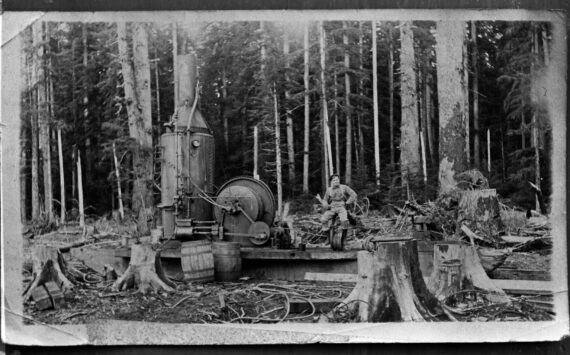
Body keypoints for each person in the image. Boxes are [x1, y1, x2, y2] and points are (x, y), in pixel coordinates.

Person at [320, 174, 357, 246]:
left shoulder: (344, 187)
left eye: (337, 179)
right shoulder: (329, 189)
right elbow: (325, 199)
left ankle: (344, 239)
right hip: (332, 207)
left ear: (339, 180)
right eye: (334, 180)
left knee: (344, 220)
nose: (336, 181)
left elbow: (353, 194)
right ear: (331, 182)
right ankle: (328, 238)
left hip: (341, 207)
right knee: (323, 219)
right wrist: (325, 205)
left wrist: (348, 202)